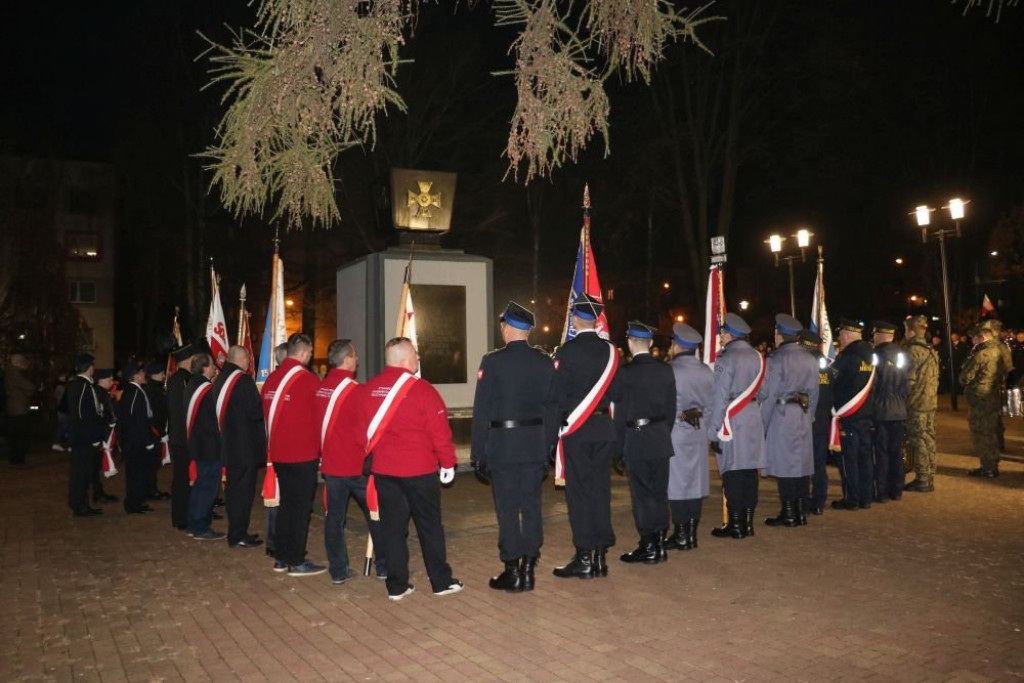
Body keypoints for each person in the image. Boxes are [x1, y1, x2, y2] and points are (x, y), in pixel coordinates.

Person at [357, 337, 462, 601]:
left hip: (385, 472)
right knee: (430, 528)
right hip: (419, 471)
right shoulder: (423, 390)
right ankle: (440, 581)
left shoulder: (368, 389)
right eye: (415, 354)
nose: (418, 358)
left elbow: (360, 432)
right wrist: (448, 462)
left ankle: (397, 586)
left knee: (392, 530)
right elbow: (439, 432)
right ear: (405, 359)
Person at [470, 302, 555, 592]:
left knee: (507, 509)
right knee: (531, 506)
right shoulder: (544, 361)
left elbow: (481, 410)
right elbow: (552, 408)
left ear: (507, 329)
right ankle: (530, 566)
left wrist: (477, 452)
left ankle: (512, 568)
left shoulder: (492, 362)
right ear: (528, 331)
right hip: (534, 445)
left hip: (503, 447)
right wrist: (549, 446)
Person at [547, 293, 620, 578]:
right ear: (597, 319)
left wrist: (552, 439)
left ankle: (584, 556)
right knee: (601, 491)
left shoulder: (566, 352)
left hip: (577, 430)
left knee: (579, 494)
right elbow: (618, 395)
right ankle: (601, 556)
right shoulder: (612, 352)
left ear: (575, 319)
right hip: (604, 429)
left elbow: (556, 398)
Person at [318, 338, 386, 584]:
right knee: (377, 515)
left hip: (332, 467)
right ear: (347, 359)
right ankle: (384, 566)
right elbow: (368, 429)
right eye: (355, 355)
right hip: (356, 467)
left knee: (334, 520)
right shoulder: (357, 391)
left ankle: (338, 570)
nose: (357, 359)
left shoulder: (321, 388)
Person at [261, 333, 326, 575]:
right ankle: (296, 560)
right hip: (302, 455)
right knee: (299, 510)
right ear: (304, 353)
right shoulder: (308, 381)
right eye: (309, 354)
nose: (309, 358)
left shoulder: (271, 379)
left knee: (286, 506)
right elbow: (320, 415)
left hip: (278, 453)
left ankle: (281, 554)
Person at [612, 321, 675, 564]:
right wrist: (661, 431)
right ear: (650, 344)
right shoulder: (665, 370)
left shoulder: (626, 373)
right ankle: (659, 542)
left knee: (642, 495)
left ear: (629, 343)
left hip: (635, 439)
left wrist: (617, 449)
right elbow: (671, 409)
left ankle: (648, 544)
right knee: (659, 493)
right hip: (659, 437)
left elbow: (620, 414)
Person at [707, 312, 766, 539]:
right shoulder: (758, 357)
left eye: (721, 332)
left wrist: (713, 432)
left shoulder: (726, 358)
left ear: (729, 333)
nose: (720, 337)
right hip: (752, 416)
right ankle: (748, 523)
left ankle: (735, 524)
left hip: (732, 419)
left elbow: (719, 397)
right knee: (750, 472)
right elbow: (765, 392)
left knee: (732, 471)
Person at [759, 314, 818, 528]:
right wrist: (809, 415)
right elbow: (814, 392)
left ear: (779, 334)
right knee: (801, 464)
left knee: (785, 466)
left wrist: (762, 425)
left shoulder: (775, 359)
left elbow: (768, 394)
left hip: (781, 414)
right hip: (801, 414)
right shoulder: (810, 358)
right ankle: (800, 511)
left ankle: (789, 513)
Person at [665, 323, 713, 550]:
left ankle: (681, 533)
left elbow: (664, 406)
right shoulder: (706, 371)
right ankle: (692, 533)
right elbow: (713, 405)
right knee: (695, 482)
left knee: (676, 484)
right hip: (699, 430)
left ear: (677, 345)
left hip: (677, 431)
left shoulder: (670, 370)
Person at [214, 345, 266, 548]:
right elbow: (255, 411)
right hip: (244, 448)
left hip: (229, 444)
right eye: (248, 359)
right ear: (241, 359)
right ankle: (238, 534)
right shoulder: (241, 380)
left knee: (234, 491)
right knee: (242, 493)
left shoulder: (221, 378)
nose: (249, 363)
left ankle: (236, 532)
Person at [830, 318, 876, 510]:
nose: (839, 338)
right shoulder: (871, 355)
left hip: (848, 415)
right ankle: (866, 497)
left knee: (849, 459)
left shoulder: (846, 357)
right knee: (865, 457)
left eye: (840, 335)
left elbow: (834, 383)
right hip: (866, 413)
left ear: (848, 335)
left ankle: (852, 498)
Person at [960, 321, 1007, 478]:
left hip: (980, 398)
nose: (973, 341)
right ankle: (992, 464)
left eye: (975, 338)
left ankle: (988, 467)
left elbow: (965, 378)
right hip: (992, 395)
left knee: (981, 433)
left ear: (983, 337)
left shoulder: (982, 354)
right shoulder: (1000, 349)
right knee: (991, 431)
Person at [185, 352, 224, 540]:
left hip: (197, 444)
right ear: (204, 367)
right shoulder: (206, 389)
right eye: (212, 365)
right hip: (209, 447)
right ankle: (201, 526)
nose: (215, 368)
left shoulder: (192, 385)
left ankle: (193, 523)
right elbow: (214, 421)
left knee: (199, 487)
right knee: (207, 488)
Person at [870, 321, 909, 503]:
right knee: (896, 451)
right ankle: (897, 489)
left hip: (881, 409)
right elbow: (906, 383)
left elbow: (873, 384)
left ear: (879, 335)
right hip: (899, 409)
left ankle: (882, 491)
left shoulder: (875, 355)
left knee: (882, 451)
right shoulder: (902, 354)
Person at [798, 330, 834, 515]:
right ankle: (819, 502)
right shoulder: (826, 365)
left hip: (804, 420)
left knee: (804, 464)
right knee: (819, 465)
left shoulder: (803, 364)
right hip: (822, 421)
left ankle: (803, 502)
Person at [903, 316, 939, 492]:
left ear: (910, 331)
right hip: (930, 402)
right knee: (929, 437)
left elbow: (908, 381)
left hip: (916, 403)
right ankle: (930, 474)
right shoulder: (931, 350)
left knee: (918, 439)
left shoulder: (911, 352)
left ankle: (922, 478)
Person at [66, 354, 104, 516]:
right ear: (89, 367)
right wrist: (92, 436)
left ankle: (81, 503)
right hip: (84, 439)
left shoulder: (79, 385)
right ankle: (80, 505)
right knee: (82, 474)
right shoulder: (82, 386)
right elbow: (83, 415)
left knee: (83, 473)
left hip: (82, 438)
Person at [117, 361, 158, 514]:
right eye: (141, 373)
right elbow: (136, 419)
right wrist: (146, 440)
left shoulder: (136, 391)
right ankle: (133, 504)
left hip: (135, 440)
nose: (143, 375)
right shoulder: (133, 392)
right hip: (135, 442)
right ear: (135, 376)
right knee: (135, 474)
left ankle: (137, 501)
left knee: (139, 473)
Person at [167, 343, 195, 530]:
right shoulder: (184, 380)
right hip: (183, 436)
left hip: (178, 435)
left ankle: (181, 515)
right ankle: (181, 517)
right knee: (183, 479)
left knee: (181, 477)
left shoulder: (176, 379)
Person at [143, 363, 170, 501]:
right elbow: (156, 413)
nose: (163, 376)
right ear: (154, 375)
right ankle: (150, 490)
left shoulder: (155, 389)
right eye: (161, 373)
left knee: (154, 463)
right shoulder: (153, 390)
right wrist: (160, 431)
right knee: (152, 463)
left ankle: (151, 489)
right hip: (155, 431)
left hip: (157, 430)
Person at [5, 353, 36, 467]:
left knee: (15, 436)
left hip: (14, 408)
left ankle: (14, 458)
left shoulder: (10, 373)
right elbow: (28, 386)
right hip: (20, 409)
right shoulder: (14, 373)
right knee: (21, 436)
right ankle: (18, 460)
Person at [93, 370, 119, 504]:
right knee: (94, 467)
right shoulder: (99, 393)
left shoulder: (102, 393)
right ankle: (97, 493)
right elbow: (105, 413)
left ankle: (97, 492)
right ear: (101, 380)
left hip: (101, 433)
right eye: (109, 379)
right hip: (101, 434)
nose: (111, 382)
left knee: (95, 467)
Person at [52, 370, 71, 452]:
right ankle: (58, 443)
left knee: (65, 427)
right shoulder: (61, 386)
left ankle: (64, 443)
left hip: (63, 409)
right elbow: (59, 398)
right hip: (64, 409)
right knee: (64, 427)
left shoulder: (62, 386)